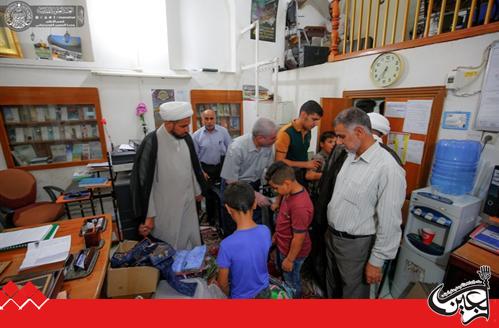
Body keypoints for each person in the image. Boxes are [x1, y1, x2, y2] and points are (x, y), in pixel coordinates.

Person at [323, 107, 406, 299]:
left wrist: (376, 261)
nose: (339, 142)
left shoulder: (388, 168)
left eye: (342, 136)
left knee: (353, 294)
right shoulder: (350, 155)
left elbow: (390, 221)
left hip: (356, 247)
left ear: (359, 132)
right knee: (332, 287)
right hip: (332, 237)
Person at [130, 101, 207, 249]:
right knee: (169, 244)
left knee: (191, 237)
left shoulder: (186, 138)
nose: (187, 129)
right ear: (168, 124)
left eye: (188, 125)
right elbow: (145, 183)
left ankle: (189, 269)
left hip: (188, 201)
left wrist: (198, 190)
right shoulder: (152, 142)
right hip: (165, 206)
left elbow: (193, 167)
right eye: (183, 126)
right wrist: (149, 215)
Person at [220, 117, 278, 235]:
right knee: (235, 222)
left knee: (253, 219)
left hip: (253, 184)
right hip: (234, 186)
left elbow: (270, 168)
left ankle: (251, 245)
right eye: (273, 138)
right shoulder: (237, 148)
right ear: (260, 138)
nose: (275, 140)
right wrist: (255, 195)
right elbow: (230, 180)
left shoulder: (268, 145)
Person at [216, 182, 272, 299]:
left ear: (228, 209)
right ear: (255, 204)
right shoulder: (265, 231)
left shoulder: (226, 245)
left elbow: (223, 283)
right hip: (264, 291)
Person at [266, 161, 313, 298]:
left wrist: (290, 260)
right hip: (284, 245)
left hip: (293, 253)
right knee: (286, 276)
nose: (275, 191)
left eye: (276, 188)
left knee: (292, 282)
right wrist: (277, 234)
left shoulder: (300, 206)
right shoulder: (289, 190)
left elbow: (299, 237)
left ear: (286, 183)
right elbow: (285, 220)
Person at [192, 108, 232, 225]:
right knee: (209, 195)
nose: (209, 121)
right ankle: (210, 219)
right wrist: (201, 172)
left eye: (211, 118)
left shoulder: (223, 132)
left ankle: (222, 218)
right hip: (206, 169)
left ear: (215, 119)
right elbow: (194, 157)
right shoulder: (196, 135)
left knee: (222, 194)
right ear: (202, 120)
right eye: (206, 119)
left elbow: (230, 149)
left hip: (221, 166)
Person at [275, 100, 324, 185]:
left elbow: (303, 154)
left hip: (301, 176)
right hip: (287, 179)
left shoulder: (308, 131)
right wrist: (306, 164)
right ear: (303, 115)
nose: (316, 124)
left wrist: (309, 168)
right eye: (314, 119)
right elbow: (279, 161)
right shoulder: (286, 132)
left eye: (318, 120)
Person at [305, 131, 337, 200]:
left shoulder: (333, 158)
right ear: (322, 144)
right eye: (330, 142)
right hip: (316, 195)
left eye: (335, 142)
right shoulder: (318, 158)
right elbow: (308, 175)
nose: (333, 144)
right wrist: (328, 176)